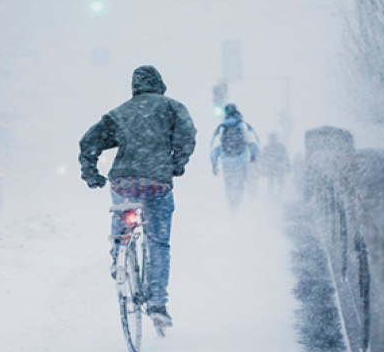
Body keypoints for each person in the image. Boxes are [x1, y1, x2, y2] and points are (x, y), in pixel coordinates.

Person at [79, 65, 197, 328]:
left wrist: (91, 173)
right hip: (157, 181)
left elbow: (89, 141)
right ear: (159, 84)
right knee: (158, 242)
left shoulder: (120, 113)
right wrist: (177, 163)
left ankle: (119, 255)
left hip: (124, 179)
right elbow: (187, 136)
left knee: (122, 213)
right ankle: (157, 304)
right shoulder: (172, 107)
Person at [210, 103, 260, 213]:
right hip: (241, 160)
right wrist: (254, 156)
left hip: (226, 161)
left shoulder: (222, 127)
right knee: (240, 183)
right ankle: (238, 203)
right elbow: (253, 142)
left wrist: (214, 163)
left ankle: (231, 203)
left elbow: (215, 148)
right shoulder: (243, 125)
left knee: (228, 183)